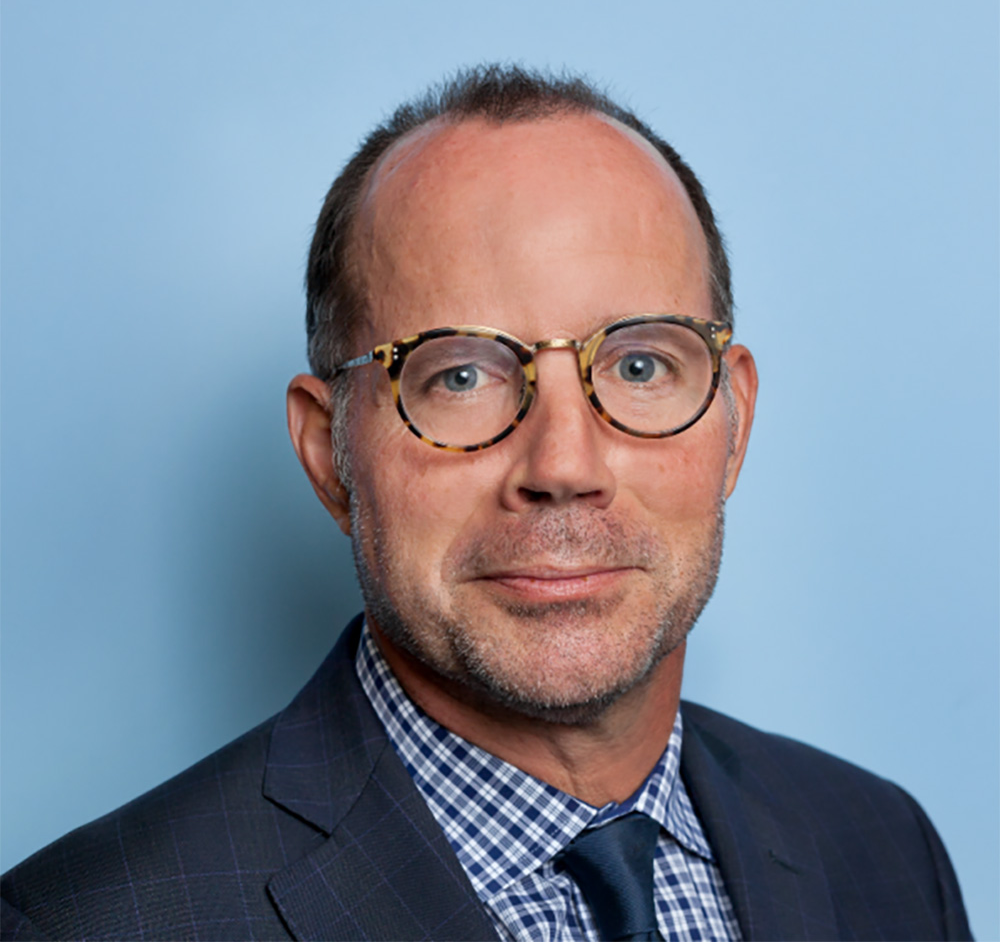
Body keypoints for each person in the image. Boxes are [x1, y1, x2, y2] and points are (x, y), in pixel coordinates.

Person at [1, 65, 971, 942]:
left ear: (733, 421)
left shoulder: (880, 850)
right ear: (327, 452)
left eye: (640, 364)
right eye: (459, 377)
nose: (562, 463)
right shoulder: (84, 923)